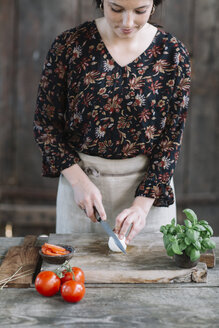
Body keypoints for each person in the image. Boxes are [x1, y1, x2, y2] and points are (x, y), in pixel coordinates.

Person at [33, 0, 191, 244]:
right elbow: (46, 125)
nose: (128, 22)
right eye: (116, 9)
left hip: (149, 195)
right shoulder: (69, 46)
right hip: (81, 188)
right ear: (101, 2)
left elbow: (172, 138)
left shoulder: (173, 52)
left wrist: (141, 206)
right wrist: (78, 181)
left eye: (140, 11)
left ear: (154, 4)